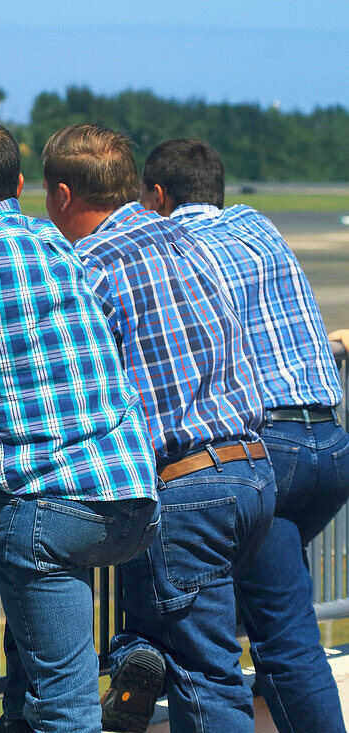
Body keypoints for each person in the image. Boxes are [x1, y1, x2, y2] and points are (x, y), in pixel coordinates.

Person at [0, 120, 160, 733]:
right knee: (32, 689)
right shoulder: (59, 243)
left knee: (63, 703)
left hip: (49, 500)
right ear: (22, 185)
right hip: (131, 488)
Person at [43, 123, 276, 733]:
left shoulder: (86, 268)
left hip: (186, 484)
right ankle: (135, 654)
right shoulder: (191, 241)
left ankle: (131, 659)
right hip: (253, 471)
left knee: (204, 678)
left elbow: (72, 387)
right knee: (188, 636)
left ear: (63, 196)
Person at [141, 137, 348, 732]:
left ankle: (139, 650)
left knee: (282, 637)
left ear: (159, 195)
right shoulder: (259, 227)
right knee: (271, 606)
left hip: (269, 449)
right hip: (329, 440)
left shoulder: (178, 247)